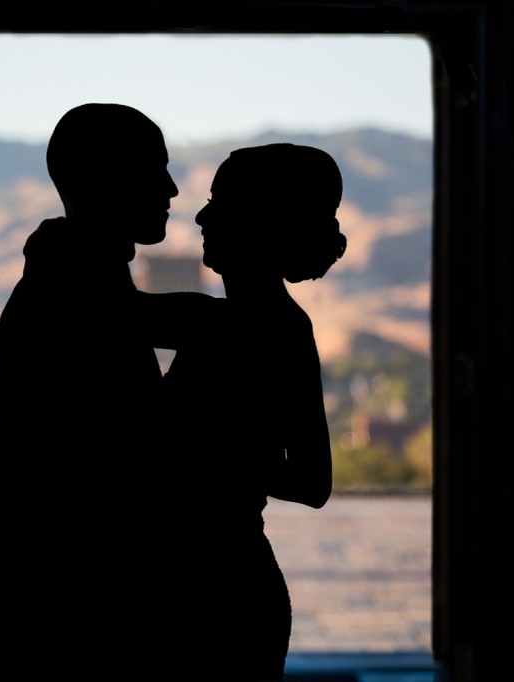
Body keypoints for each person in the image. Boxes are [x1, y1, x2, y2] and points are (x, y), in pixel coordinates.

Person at [0, 103, 179, 682]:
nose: (169, 188)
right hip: (74, 617)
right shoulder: (77, 299)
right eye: (154, 170)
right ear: (104, 179)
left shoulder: (77, 287)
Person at [158, 143, 344, 682]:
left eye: (221, 202)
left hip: (222, 596)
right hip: (226, 585)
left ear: (262, 222)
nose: (201, 215)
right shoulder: (259, 323)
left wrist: (211, 459)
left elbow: (314, 481)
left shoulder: (245, 325)